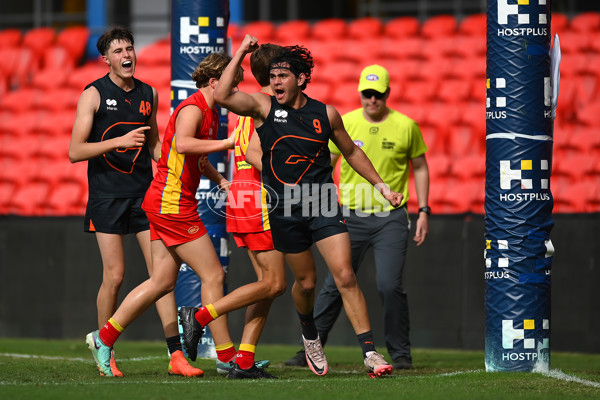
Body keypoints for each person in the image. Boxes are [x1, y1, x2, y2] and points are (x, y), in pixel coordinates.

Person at [213, 34, 402, 378]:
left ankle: (371, 353)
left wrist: (381, 186)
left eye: (282, 76)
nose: (275, 82)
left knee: (345, 274)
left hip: (323, 202)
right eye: (272, 77)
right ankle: (310, 333)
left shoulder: (325, 113)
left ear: (300, 79)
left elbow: (352, 152)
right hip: (285, 208)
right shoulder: (263, 106)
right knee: (307, 283)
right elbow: (222, 95)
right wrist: (240, 51)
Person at [82, 51, 243, 377]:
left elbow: (195, 159)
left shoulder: (209, 111)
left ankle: (104, 338)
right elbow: (183, 145)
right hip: (172, 204)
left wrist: (221, 179)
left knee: (162, 281)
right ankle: (227, 358)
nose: (236, 93)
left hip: (165, 202)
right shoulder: (193, 108)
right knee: (213, 275)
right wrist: (228, 143)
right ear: (216, 83)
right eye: (233, 85)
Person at [69, 27, 200, 377]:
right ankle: (105, 349)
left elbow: (155, 144)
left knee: (162, 276)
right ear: (106, 59)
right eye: (118, 51)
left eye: (130, 48)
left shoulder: (148, 94)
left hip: (144, 196)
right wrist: (119, 141)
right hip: (106, 196)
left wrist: (176, 166)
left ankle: (176, 356)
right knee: (115, 276)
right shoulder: (93, 94)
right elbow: (74, 151)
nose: (126, 54)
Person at [284, 65, 430, 370]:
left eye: (377, 94)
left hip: (389, 216)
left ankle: (400, 352)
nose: (372, 99)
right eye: (366, 93)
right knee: (335, 283)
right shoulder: (345, 121)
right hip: (349, 213)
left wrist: (424, 210)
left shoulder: (406, 126)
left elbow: (420, 167)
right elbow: (326, 164)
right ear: (360, 93)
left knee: (389, 284)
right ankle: (310, 349)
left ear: (388, 94)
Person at [224, 43, 288, 379]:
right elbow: (255, 154)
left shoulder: (244, 105)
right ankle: (202, 314)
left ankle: (245, 359)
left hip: (240, 197)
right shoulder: (271, 106)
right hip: (260, 200)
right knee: (276, 283)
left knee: (267, 284)